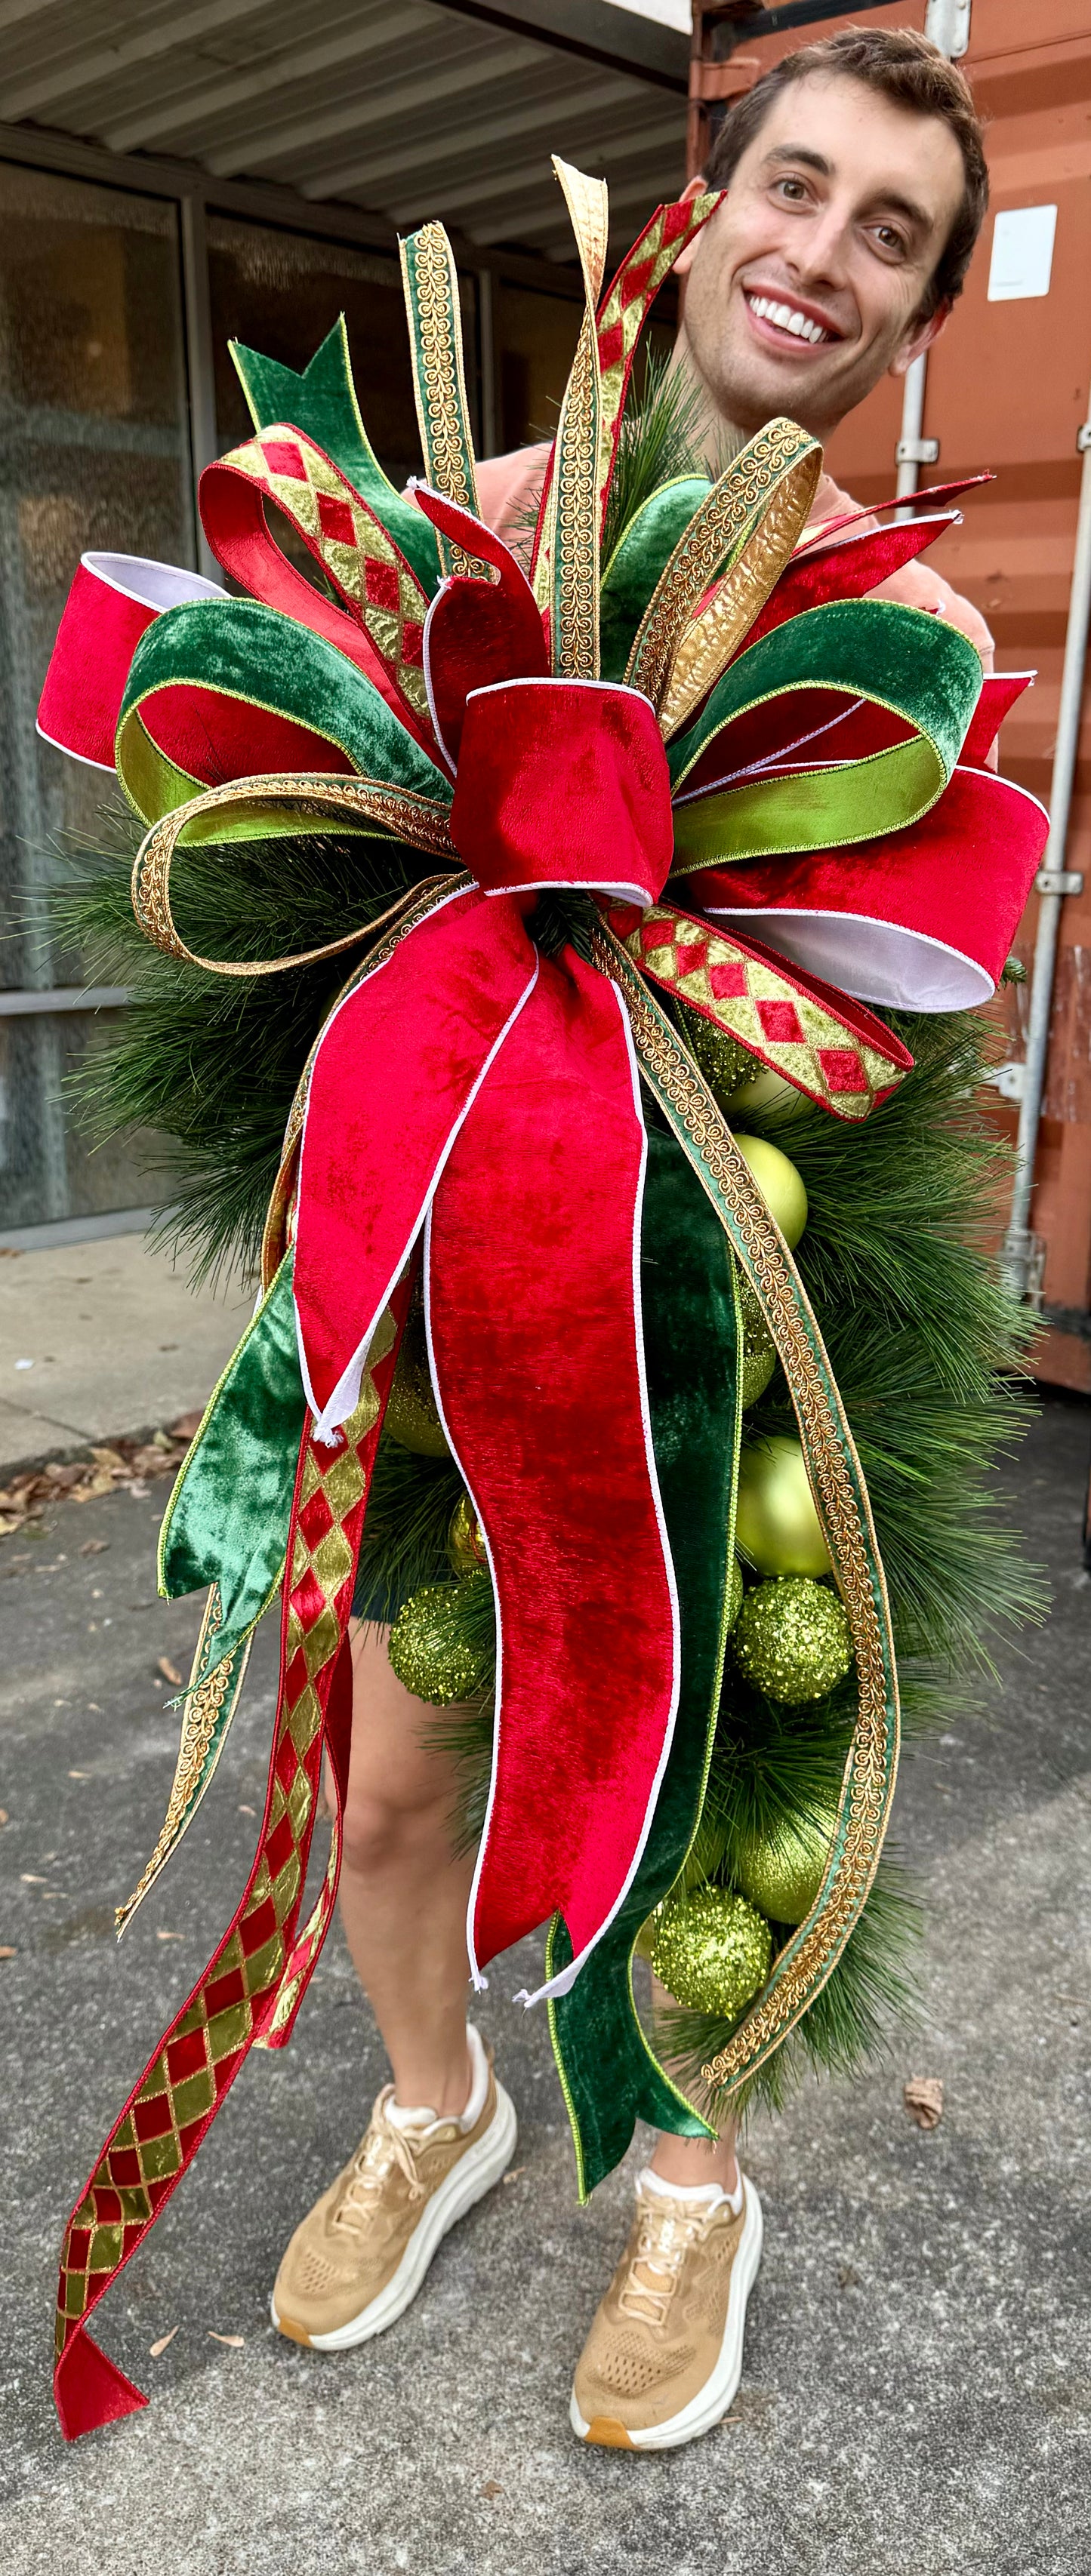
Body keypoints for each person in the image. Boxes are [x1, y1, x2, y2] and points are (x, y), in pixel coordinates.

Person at [270, 25, 994, 2449]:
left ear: (919, 308)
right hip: (442, 1286)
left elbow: (891, 1052)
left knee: (698, 1778)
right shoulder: (468, 530)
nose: (824, 253)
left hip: (724, 1319)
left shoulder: (913, 648)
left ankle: (691, 2184)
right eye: (798, 190)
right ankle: (430, 2106)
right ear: (710, 206)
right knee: (393, 1784)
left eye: (889, 233)